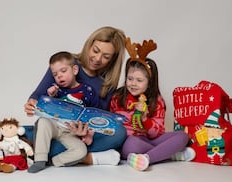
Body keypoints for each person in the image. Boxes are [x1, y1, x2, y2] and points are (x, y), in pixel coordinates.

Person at [24, 26, 127, 168]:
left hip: (79, 136)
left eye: (106, 57)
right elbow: (38, 95)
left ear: (113, 59)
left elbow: (99, 119)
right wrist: (31, 103)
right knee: (34, 127)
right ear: (89, 44)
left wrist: (86, 133)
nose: (97, 59)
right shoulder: (64, 63)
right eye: (95, 50)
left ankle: (35, 149)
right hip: (55, 125)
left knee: (120, 132)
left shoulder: (107, 83)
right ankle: (89, 158)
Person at [109, 37, 195, 171]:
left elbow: (157, 133)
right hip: (128, 142)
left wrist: (144, 118)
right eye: (130, 79)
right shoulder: (118, 97)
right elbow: (112, 122)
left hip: (149, 140)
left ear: (149, 83)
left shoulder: (157, 100)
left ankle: (147, 158)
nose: (133, 83)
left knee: (182, 136)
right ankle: (167, 154)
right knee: (131, 145)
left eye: (139, 80)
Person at [28, 51, 101, 173]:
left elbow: (94, 114)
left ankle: (53, 161)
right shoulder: (55, 90)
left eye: (63, 71)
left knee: (81, 151)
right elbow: (42, 109)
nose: (59, 76)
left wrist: (90, 134)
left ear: (75, 70)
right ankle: (40, 159)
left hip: (71, 132)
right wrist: (49, 96)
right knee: (43, 121)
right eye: (55, 74)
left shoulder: (88, 90)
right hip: (54, 125)